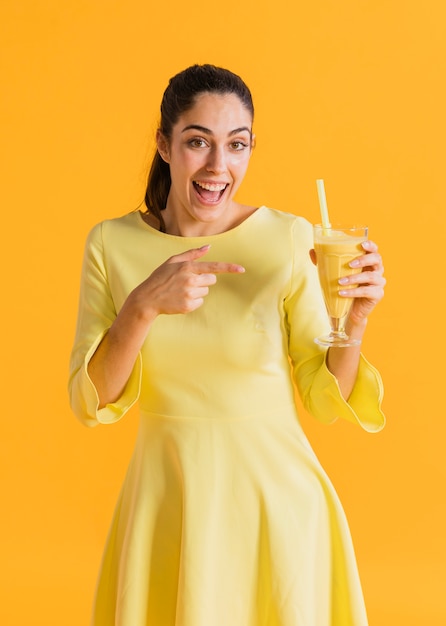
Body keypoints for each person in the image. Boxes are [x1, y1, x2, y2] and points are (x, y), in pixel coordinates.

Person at [69, 64, 386, 626]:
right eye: (198, 142)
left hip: (278, 510)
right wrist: (142, 306)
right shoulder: (110, 244)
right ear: (164, 145)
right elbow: (91, 401)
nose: (219, 167)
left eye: (236, 146)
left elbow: (323, 395)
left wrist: (354, 321)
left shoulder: (286, 238)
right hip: (169, 509)